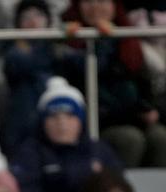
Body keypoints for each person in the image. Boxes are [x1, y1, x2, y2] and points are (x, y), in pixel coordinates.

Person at [11, 76, 122, 192]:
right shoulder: (30, 153)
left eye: (69, 116)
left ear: (80, 120)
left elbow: (118, 189)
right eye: (54, 117)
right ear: (43, 122)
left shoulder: (99, 151)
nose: (62, 124)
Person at [60, 0, 166, 166]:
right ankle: (118, 190)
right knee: (130, 139)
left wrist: (150, 108)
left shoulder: (127, 38)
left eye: (102, 1)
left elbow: (143, 81)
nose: (96, 7)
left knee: (161, 137)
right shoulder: (67, 40)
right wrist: (103, 40)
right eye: (88, 1)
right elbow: (92, 77)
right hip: (100, 122)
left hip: (132, 116)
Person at [2, 0, 60, 152]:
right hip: (22, 125)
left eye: (39, 16)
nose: (33, 21)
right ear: (18, 23)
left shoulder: (59, 48)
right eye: (26, 17)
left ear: (48, 20)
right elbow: (20, 64)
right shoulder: (12, 51)